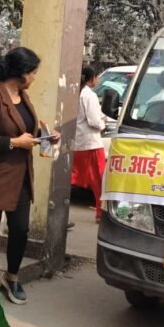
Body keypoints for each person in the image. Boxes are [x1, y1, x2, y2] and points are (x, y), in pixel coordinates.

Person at [0, 47, 60, 305]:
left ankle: (12, 276)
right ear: (21, 73)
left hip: (21, 176)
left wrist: (45, 135)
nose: (35, 77)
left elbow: (25, 128)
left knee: (20, 230)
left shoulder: (22, 95)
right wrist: (12, 143)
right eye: (33, 72)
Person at [71, 67, 107, 223]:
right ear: (93, 78)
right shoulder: (89, 95)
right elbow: (94, 121)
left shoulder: (76, 93)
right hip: (91, 143)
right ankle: (100, 212)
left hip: (78, 142)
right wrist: (103, 123)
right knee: (99, 180)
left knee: (73, 177)